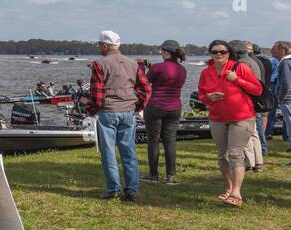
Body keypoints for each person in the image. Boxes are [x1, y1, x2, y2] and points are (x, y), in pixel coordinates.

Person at [86, 31, 150, 202]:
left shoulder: (99, 64)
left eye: (100, 44)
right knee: (128, 151)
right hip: (128, 111)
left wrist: (91, 110)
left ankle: (113, 188)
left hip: (108, 112)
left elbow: (97, 94)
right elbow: (145, 88)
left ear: (105, 46)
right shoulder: (133, 64)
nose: (99, 47)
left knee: (108, 152)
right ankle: (132, 190)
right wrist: (138, 106)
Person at [197, 39, 262, 206]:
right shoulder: (206, 72)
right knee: (222, 155)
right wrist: (209, 98)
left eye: (222, 52)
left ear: (229, 53)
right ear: (210, 54)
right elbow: (201, 96)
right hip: (217, 118)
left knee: (235, 153)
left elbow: (257, 89)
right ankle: (229, 188)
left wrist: (236, 80)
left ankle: (236, 193)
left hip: (242, 117)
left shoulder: (239, 68)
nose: (218, 55)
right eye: (215, 52)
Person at [144, 40, 188, 185]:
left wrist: (141, 67)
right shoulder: (182, 70)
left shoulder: (157, 67)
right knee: (170, 142)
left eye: (162, 52)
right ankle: (170, 176)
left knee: (154, 141)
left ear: (166, 52)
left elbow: (144, 82)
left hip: (156, 106)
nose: (161, 54)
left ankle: (153, 175)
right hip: (174, 107)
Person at [232, 40, 268, 169]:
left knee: (245, 132)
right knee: (254, 132)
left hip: (246, 101)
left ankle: (249, 162)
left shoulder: (242, 64)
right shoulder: (254, 61)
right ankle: (258, 161)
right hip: (255, 99)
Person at [272, 40, 291, 157]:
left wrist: (280, 97)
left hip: (288, 100)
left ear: (282, 50)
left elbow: (286, 84)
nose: (271, 51)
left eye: (274, 48)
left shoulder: (285, 63)